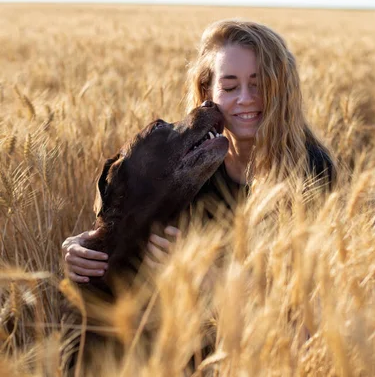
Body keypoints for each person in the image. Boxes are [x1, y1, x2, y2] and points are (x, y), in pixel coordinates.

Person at [62, 19, 336, 282]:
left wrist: (202, 275)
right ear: (207, 93)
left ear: (282, 90)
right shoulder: (188, 164)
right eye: (229, 87)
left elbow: (301, 290)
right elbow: (128, 229)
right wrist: (83, 247)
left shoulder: (311, 169)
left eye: (259, 85)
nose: (245, 99)